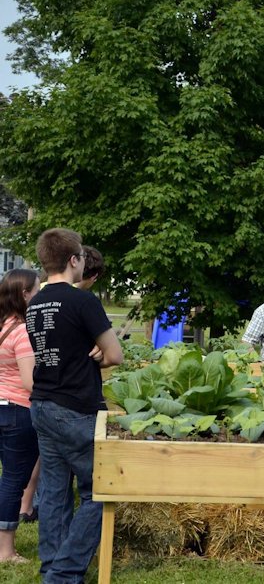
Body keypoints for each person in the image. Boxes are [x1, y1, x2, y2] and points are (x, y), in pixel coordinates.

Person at [26, 228, 123, 583]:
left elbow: (57, 348)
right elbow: (115, 354)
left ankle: (51, 563)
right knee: (102, 489)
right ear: (73, 260)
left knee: (53, 491)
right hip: (75, 408)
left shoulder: (35, 302)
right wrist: (97, 357)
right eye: (82, 256)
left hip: (43, 404)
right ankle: (64, 573)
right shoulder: (83, 301)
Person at [0, 269, 40, 564]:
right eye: (37, 292)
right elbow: (30, 381)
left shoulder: (3, 325)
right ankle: (5, 551)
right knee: (14, 481)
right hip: (18, 410)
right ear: (25, 295)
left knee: (7, 479)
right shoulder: (23, 331)